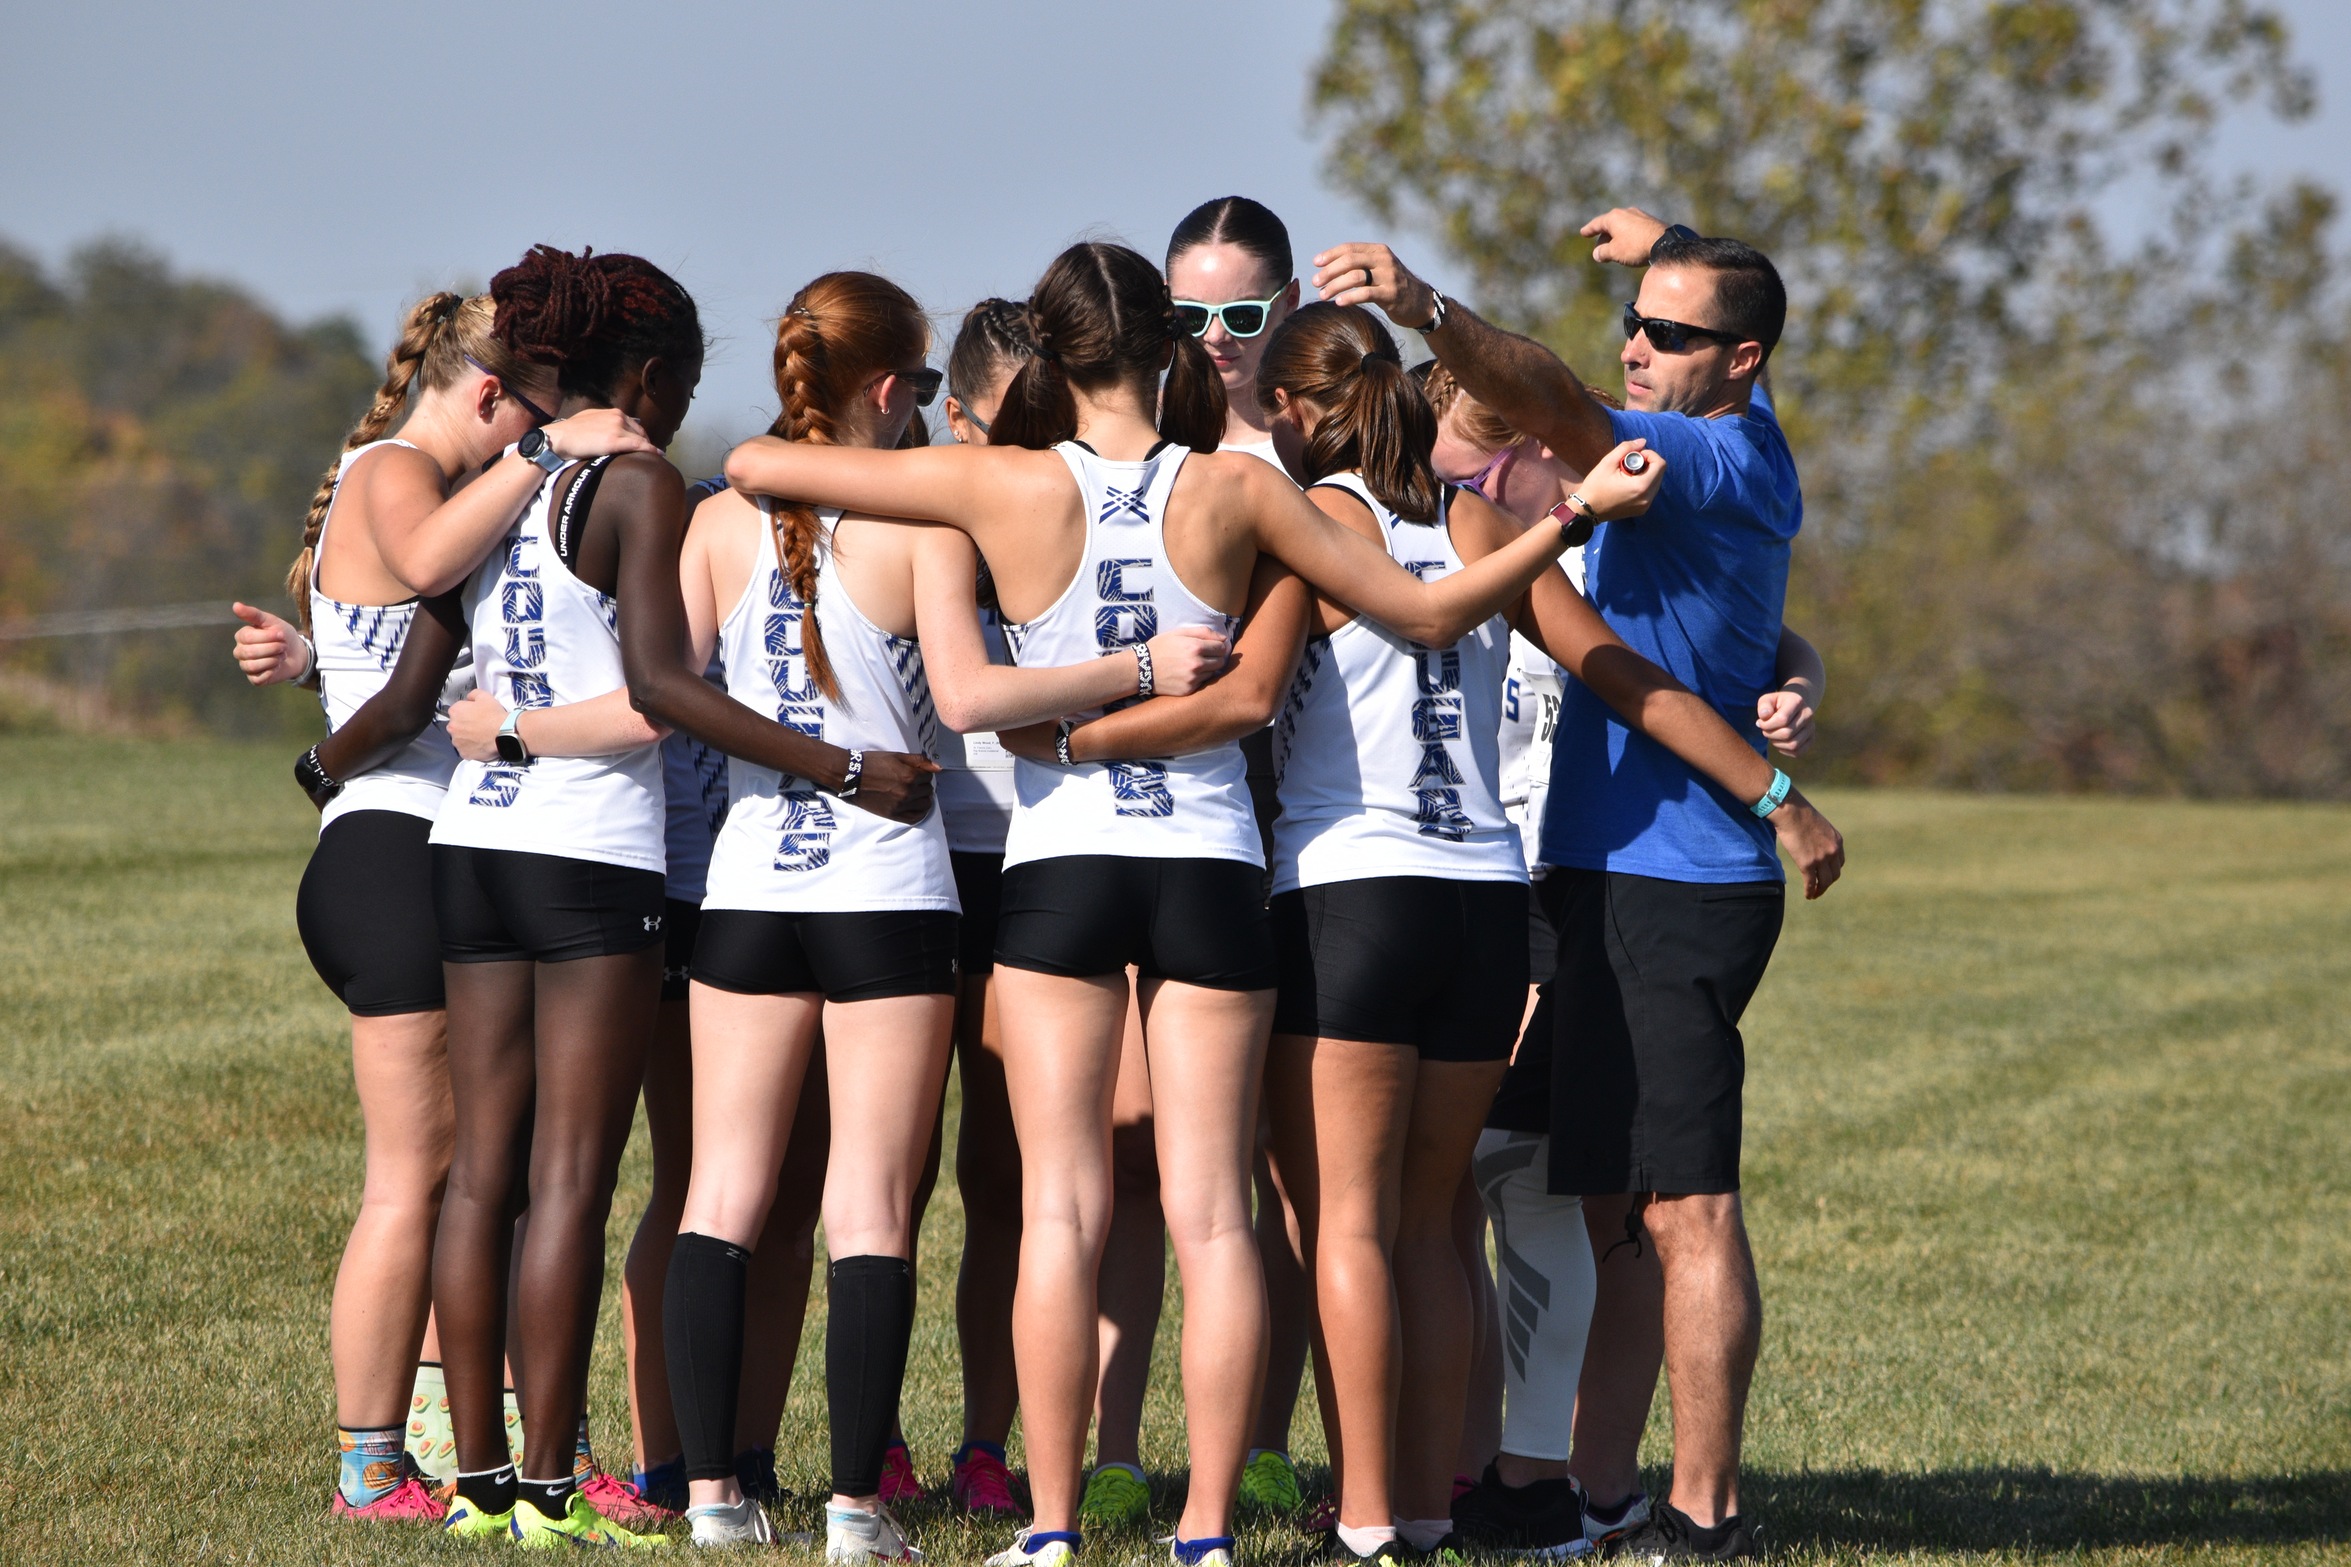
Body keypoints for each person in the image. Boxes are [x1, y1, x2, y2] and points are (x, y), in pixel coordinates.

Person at [722, 238, 1669, 1567]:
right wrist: (1569, 519)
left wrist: (910, 477)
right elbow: (1424, 608)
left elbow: (759, 467)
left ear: (1050, 356)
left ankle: (1048, 1523)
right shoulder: (1239, 488)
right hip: (1212, 867)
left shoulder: (996, 480)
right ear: (1172, 346)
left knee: (1059, 1204)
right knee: (1216, 1209)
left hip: (1061, 867)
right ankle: (1208, 1527)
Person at [1032, 303, 1840, 1564]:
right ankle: (1426, 1502)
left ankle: (1361, 1520)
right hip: (1480, 901)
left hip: (1350, 892)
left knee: (1344, 1226)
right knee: (1430, 1223)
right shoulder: (1477, 527)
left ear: (1296, 415)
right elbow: (1619, 671)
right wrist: (1770, 790)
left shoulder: (1311, 529)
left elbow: (1243, 701)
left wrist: (1073, 736)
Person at [664, 270, 1230, 1556]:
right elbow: (970, 695)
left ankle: (712, 1500)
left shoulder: (719, 519)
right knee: (870, 1208)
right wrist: (1138, 667)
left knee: (719, 1196)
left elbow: (671, 690)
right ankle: (858, 1510)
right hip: (884, 887)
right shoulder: (925, 535)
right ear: (886, 390)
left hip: (750, 884)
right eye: (922, 387)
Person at [1317, 207, 1847, 1561]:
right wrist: (1663, 241)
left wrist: (1428, 306)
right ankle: (1588, 1490)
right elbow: (1722, 609)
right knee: (1599, 1196)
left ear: (1740, 363)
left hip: (1679, 880)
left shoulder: (1703, 448)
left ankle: (1700, 1505)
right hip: (1587, 868)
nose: (1633, 345)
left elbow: (1542, 396)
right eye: (1632, 320)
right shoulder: (1710, 426)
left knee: (1684, 1202)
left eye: (1667, 335)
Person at [226, 288, 647, 1524]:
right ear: (487, 394)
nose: (551, 421)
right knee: (416, 1177)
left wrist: (311, 670)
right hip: (393, 852)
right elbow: (419, 573)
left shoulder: (402, 469)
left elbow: (383, 641)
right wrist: (541, 457)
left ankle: (463, 1442)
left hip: (418, 844)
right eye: (536, 399)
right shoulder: (405, 470)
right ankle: (367, 1469)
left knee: (474, 1168)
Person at [934, 298, 1043, 1521]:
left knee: (1014, 1176)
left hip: (1042, 862)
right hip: (929, 862)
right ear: (954, 414)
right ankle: (885, 1449)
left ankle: (985, 1438)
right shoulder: (926, 498)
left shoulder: (1074, 489)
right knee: (892, 1180)